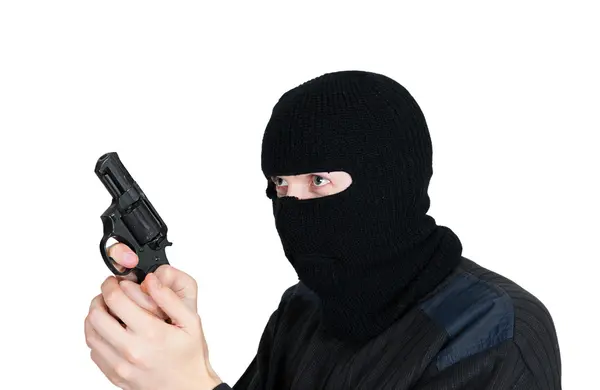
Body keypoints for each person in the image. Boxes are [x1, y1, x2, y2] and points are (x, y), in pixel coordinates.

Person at [84, 70, 562, 389]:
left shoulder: (497, 332)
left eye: (318, 181)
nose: (294, 208)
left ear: (390, 178)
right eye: (281, 186)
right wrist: (174, 349)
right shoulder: (305, 308)